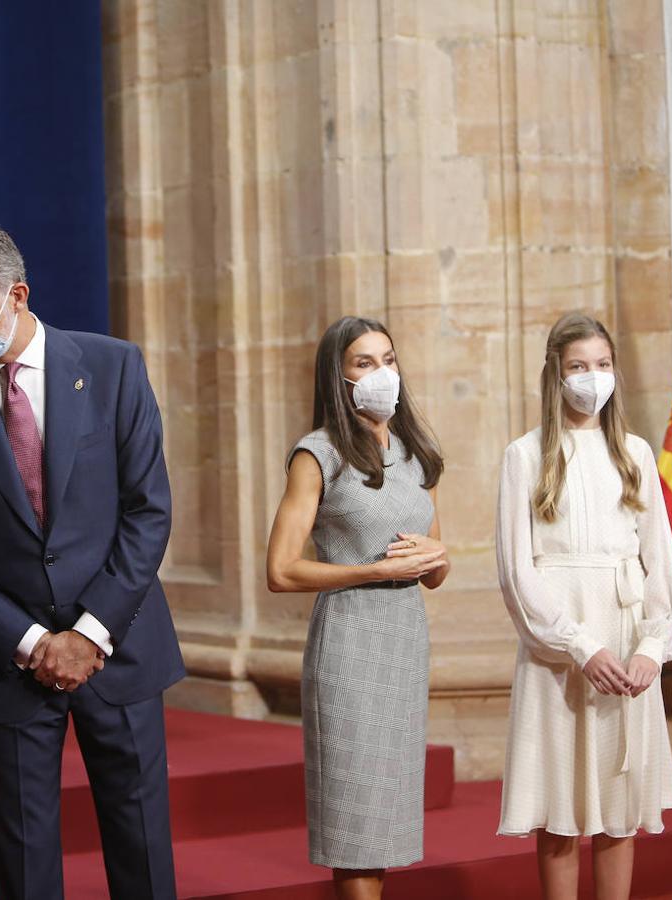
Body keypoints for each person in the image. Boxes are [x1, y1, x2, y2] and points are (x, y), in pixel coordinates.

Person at [0, 221, 184, 900]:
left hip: (117, 649)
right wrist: (34, 642)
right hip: (15, 663)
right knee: (25, 859)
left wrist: (90, 634)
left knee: (142, 847)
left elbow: (147, 512)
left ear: (18, 294)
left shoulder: (114, 367)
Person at [494, 312, 672, 900]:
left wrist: (653, 644)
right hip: (560, 650)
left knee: (618, 803)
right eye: (579, 367)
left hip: (625, 642)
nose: (592, 378)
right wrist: (578, 645)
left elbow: (661, 561)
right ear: (555, 375)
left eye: (602, 366)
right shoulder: (525, 457)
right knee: (560, 809)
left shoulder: (634, 453)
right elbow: (517, 572)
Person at [266, 316, 450, 900]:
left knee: (388, 815)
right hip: (349, 642)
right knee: (355, 824)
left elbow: (436, 569)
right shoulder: (317, 454)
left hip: (404, 642)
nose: (382, 374)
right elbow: (280, 569)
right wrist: (371, 570)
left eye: (389, 360)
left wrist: (436, 556)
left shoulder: (417, 452)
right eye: (365, 364)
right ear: (339, 377)